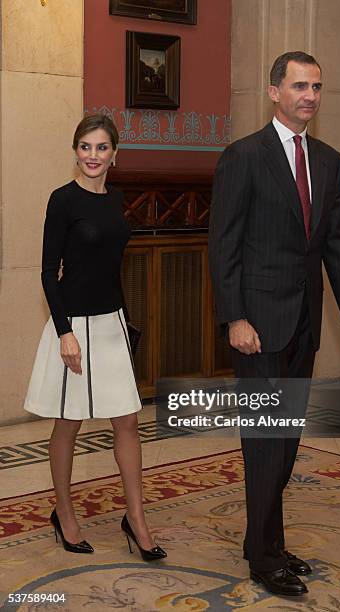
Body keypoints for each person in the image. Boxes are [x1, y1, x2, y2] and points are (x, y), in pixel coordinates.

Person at [208, 51, 340, 596]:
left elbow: (339, 240)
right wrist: (234, 317)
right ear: (274, 91)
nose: (310, 96)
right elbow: (223, 245)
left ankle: (269, 543)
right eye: (300, 85)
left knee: (288, 438)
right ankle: (261, 556)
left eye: (318, 87)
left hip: (303, 323)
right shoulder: (242, 156)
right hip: (256, 326)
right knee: (264, 441)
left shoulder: (329, 160)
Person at [24, 113, 166, 561]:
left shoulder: (117, 198)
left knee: (128, 421)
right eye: (85, 147)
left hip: (111, 324)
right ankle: (64, 514)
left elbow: (111, 268)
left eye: (101, 147)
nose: (93, 155)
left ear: (114, 155)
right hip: (74, 326)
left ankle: (137, 520)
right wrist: (65, 331)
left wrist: (124, 325)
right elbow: (49, 273)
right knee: (68, 424)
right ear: (75, 151)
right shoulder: (62, 200)